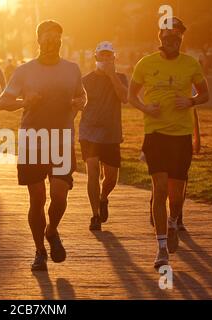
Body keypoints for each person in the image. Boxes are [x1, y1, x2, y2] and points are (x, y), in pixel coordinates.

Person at [0, 20, 87, 271]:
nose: (51, 42)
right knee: (37, 198)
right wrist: (25, 101)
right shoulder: (25, 70)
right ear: (38, 40)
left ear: (61, 41)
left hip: (62, 139)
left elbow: (81, 94)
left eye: (56, 38)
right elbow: (3, 101)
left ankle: (52, 230)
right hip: (33, 140)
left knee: (59, 196)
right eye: (46, 38)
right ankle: (39, 251)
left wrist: (80, 102)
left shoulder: (72, 69)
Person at [128, 17, 209, 269]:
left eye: (177, 36)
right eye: (168, 35)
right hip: (156, 134)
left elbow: (205, 93)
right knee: (160, 189)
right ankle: (161, 248)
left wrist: (192, 101)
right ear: (160, 37)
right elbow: (131, 95)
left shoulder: (191, 63)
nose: (172, 39)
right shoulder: (146, 63)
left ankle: (174, 221)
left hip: (181, 135)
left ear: (181, 39)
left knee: (176, 195)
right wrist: (144, 107)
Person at [79, 41, 128, 231]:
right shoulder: (86, 80)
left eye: (109, 56)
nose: (106, 59)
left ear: (114, 59)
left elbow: (124, 98)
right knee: (92, 171)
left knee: (111, 178)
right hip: (89, 132)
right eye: (102, 56)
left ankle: (103, 197)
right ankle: (95, 215)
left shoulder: (121, 78)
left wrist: (111, 76)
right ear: (96, 58)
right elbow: (79, 102)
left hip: (111, 133)